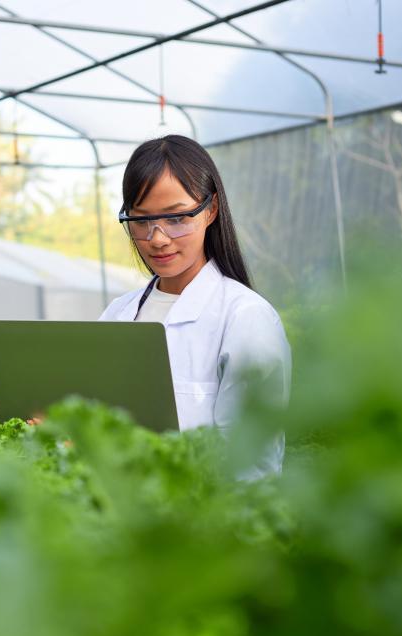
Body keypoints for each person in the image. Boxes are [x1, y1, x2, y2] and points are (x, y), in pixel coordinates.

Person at [98, 135, 290, 478]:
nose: (157, 238)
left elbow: (250, 465)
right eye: (141, 221)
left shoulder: (245, 318)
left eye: (176, 218)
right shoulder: (117, 314)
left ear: (211, 210)